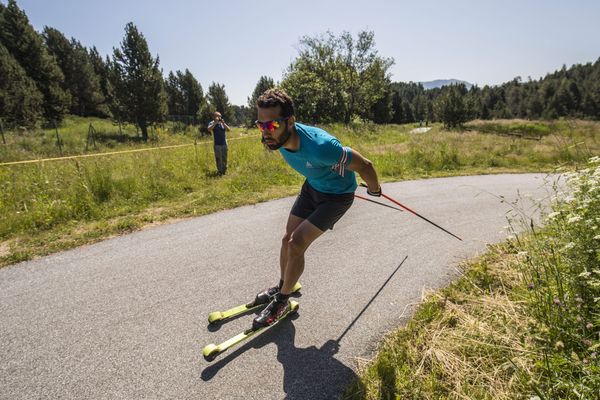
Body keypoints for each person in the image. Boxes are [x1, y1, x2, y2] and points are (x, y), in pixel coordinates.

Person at [251, 88, 381, 329]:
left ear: (289, 121)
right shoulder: (277, 139)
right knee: (286, 238)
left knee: (297, 242)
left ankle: (282, 300)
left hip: (337, 196)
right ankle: (283, 286)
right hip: (312, 188)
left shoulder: (322, 147)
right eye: (261, 125)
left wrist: (374, 189)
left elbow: (364, 164)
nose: (265, 133)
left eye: (271, 125)